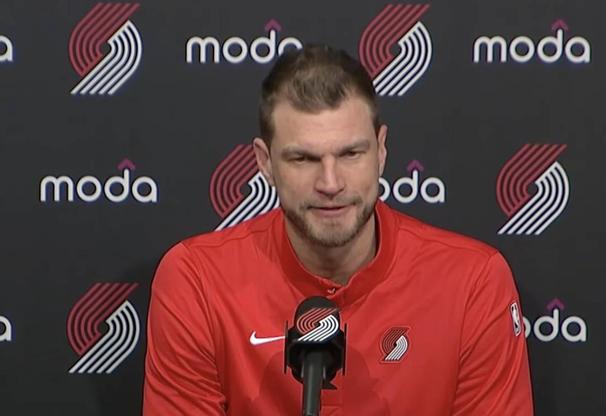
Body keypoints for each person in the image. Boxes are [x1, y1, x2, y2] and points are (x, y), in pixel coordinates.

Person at [143, 44, 534, 415]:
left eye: (350, 154)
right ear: (264, 162)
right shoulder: (197, 280)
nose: (330, 183)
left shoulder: (472, 283)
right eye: (303, 158)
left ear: (381, 150)